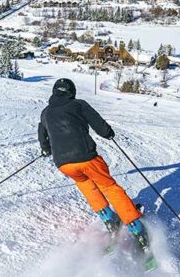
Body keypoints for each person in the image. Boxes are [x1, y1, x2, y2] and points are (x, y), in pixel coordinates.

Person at [38, 78, 147, 243]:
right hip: (86, 157)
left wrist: (46, 149)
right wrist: (107, 133)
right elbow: (96, 120)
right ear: (72, 92)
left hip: (64, 164)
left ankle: (110, 220)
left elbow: (42, 132)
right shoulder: (78, 104)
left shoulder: (46, 112)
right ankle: (136, 227)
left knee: (87, 186)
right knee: (109, 187)